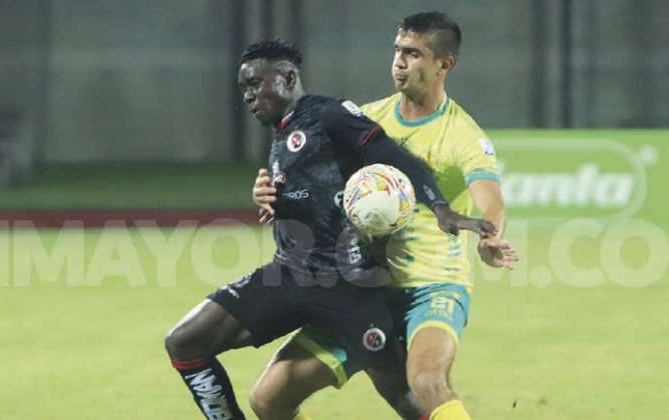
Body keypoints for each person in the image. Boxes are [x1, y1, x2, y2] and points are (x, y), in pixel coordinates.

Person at [165, 39, 496, 420]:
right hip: (288, 275)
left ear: (288, 77)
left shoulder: (328, 115)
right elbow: (314, 192)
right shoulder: (282, 135)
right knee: (185, 343)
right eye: (244, 89)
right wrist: (273, 197)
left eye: (256, 84)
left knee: (409, 397)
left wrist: (440, 207)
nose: (250, 96)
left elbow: (395, 157)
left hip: (348, 287)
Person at [249, 12, 519, 420]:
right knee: (269, 399)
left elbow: (491, 200)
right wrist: (271, 191)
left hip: (433, 287)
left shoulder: (462, 134)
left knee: (425, 382)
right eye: (397, 51)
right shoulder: (364, 119)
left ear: (444, 64)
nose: (399, 61)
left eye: (413, 54)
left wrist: (491, 236)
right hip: (359, 288)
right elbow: (309, 179)